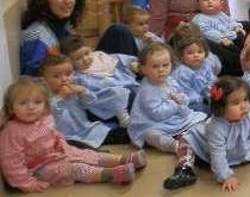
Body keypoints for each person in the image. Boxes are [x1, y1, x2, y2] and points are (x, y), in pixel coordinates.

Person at [0, 78, 145, 191]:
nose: (31, 107)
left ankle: (125, 159)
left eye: (37, 102)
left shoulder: (46, 118)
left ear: (45, 105)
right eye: (23, 103)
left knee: (88, 154)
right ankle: (110, 174)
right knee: (74, 169)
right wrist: (26, 182)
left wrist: (61, 143)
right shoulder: (12, 132)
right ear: (11, 106)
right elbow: (11, 162)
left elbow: (52, 133)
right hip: (40, 166)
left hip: (58, 151)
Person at [127, 43, 206, 190]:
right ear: (144, 69)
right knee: (151, 135)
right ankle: (175, 146)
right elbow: (157, 113)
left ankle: (190, 139)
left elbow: (183, 98)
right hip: (153, 123)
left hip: (174, 119)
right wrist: (175, 104)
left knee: (200, 117)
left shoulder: (170, 81)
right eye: (155, 67)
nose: (162, 70)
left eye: (165, 65)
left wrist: (181, 102)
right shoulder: (146, 90)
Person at [181, 77, 250, 192]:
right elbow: (217, 152)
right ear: (221, 107)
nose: (244, 106)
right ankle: (184, 166)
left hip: (234, 147)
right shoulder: (216, 127)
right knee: (187, 142)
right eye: (236, 103)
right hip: (204, 143)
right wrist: (226, 176)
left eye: (245, 100)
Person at [41, 55, 131, 148]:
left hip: (87, 129)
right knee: (71, 146)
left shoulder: (74, 88)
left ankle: (142, 137)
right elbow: (50, 113)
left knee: (123, 134)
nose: (64, 79)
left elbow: (89, 104)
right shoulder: (44, 95)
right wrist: (60, 97)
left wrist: (83, 92)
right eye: (56, 76)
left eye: (68, 74)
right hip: (65, 135)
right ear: (44, 80)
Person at [60, 35, 138, 128]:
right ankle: (123, 117)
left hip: (122, 86)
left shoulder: (99, 58)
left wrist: (131, 63)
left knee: (137, 91)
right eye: (78, 58)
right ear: (70, 62)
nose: (85, 59)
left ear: (91, 50)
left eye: (87, 53)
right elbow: (88, 97)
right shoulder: (77, 76)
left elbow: (118, 58)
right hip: (102, 98)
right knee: (117, 94)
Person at [19, 0, 83, 76]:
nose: (68, 1)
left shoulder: (63, 23)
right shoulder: (37, 35)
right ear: (45, 0)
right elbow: (34, 79)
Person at [170, 30, 222, 114]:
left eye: (200, 52)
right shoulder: (182, 72)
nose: (196, 55)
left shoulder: (206, 64)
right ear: (181, 56)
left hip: (202, 97)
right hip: (188, 102)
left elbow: (211, 80)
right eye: (190, 53)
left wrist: (212, 93)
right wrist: (205, 101)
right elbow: (188, 94)